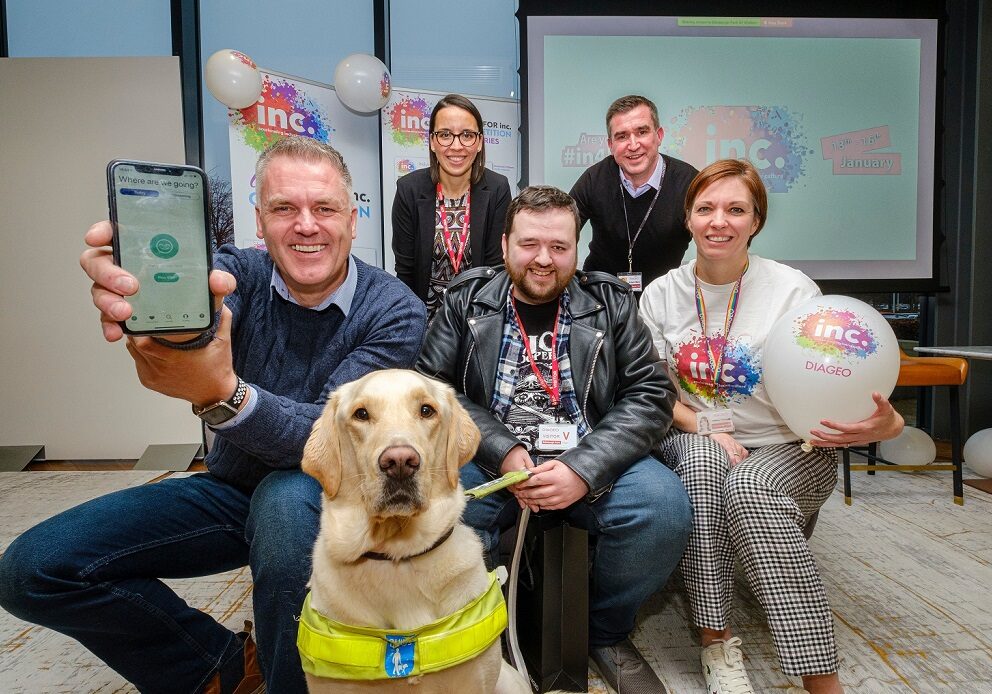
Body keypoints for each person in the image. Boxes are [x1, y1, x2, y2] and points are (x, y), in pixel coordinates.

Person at [0, 136, 427, 694]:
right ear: (259, 219)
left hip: (330, 494)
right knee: (31, 571)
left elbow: (329, 439)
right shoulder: (235, 273)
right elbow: (200, 316)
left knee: (283, 502)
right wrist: (157, 311)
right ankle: (217, 666)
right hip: (228, 488)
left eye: (323, 208)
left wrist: (222, 392)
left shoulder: (394, 309)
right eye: (283, 208)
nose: (306, 225)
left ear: (351, 218)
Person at [639, 159, 904, 694]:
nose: (720, 221)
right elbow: (652, 392)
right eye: (706, 208)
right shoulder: (660, 295)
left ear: (756, 220)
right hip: (696, 434)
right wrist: (703, 427)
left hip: (789, 446)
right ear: (687, 218)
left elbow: (841, 380)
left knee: (752, 488)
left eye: (736, 209)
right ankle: (717, 642)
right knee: (705, 464)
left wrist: (888, 422)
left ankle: (821, 679)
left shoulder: (793, 291)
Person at [417, 184, 693, 694]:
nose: (544, 259)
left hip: (590, 452)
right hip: (486, 456)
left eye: (560, 247)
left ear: (576, 248)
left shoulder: (609, 301)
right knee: (432, 513)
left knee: (662, 508)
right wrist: (502, 451)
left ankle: (603, 632)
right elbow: (431, 391)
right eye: (529, 244)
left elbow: (651, 394)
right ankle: (479, 626)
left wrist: (582, 468)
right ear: (504, 246)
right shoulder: (465, 298)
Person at [392, 93, 512, 321]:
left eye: (467, 135)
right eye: (445, 135)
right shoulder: (409, 189)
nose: (456, 146)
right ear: (432, 142)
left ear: (479, 143)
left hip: (478, 320)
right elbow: (405, 273)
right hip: (422, 321)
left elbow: (496, 272)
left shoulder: (497, 189)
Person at [570, 94, 698, 292]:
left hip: (664, 299)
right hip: (600, 298)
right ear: (611, 145)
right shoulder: (594, 179)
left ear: (659, 135)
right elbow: (560, 232)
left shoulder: (689, 183)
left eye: (642, 132)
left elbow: (711, 240)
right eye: (622, 136)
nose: (633, 145)